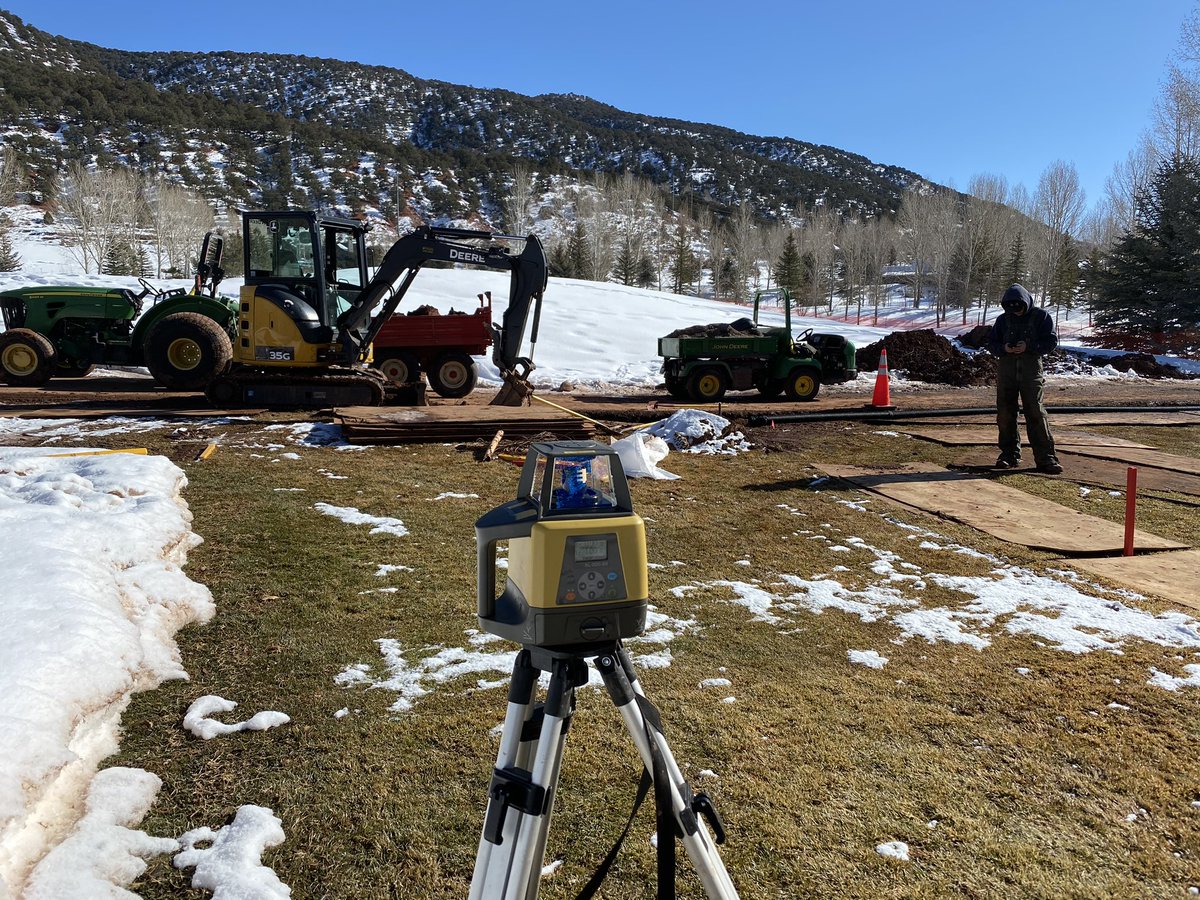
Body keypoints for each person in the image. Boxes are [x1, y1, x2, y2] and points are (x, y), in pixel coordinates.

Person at [986, 284, 1063, 475]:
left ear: (1025, 303)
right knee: (1005, 413)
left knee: (1036, 412)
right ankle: (1009, 455)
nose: (1016, 313)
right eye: (1012, 309)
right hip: (1007, 372)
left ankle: (1046, 458)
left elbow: (1051, 342)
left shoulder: (1041, 317)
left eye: (1019, 308)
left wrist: (1029, 346)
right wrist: (1004, 348)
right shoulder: (1003, 320)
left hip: (1031, 372)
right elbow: (991, 344)